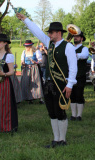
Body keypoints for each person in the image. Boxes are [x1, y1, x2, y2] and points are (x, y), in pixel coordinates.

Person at [16, 13, 77, 148]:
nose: (49, 35)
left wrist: (70, 85)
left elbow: (73, 67)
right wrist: (25, 19)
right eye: (49, 32)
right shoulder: (49, 43)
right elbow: (36, 31)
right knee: (51, 112)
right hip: (48, 83)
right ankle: (56, 139)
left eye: (51, 32)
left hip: (61, 84)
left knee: (60, 111)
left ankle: (63, 139)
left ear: (59, 33)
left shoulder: (68, 47)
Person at [0, 33, 18, 132]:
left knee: (3, 104)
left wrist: (3, 74)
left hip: (4, 83)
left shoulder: (9, 56)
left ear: (5, 43)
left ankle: (5, 126)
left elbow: (12, 71)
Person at [70, 31, 89, 121]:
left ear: (82, 38)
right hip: (71, 75)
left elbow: (84, 56)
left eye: (77, 37)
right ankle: (73, 115)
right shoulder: (70, 48)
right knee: (72, 95)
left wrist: (74, 55)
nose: (75, 38)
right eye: (74, 36)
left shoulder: (84, 48)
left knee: (79, 95)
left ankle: (79, 115)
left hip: (80, 75)